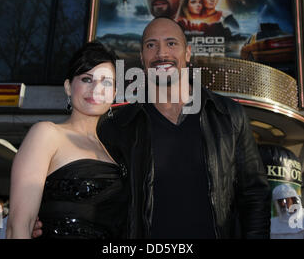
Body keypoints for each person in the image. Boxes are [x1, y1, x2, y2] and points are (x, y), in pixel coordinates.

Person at [33, 17, 271, 239]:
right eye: (151, 45)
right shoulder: (117, 126)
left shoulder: (228, 115)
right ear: (142, 58)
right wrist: (49, 215)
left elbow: (254, 195)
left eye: (171, 43)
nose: (161, 53)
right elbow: (101, 196)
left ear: (187, 53)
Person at [6, 42, 129, 239]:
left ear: (114, 94)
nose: (97, 88)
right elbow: (19, 225)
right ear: (68, 87)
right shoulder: (46, 134)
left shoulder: (117, 152)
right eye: (87, 79)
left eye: (106, 82)